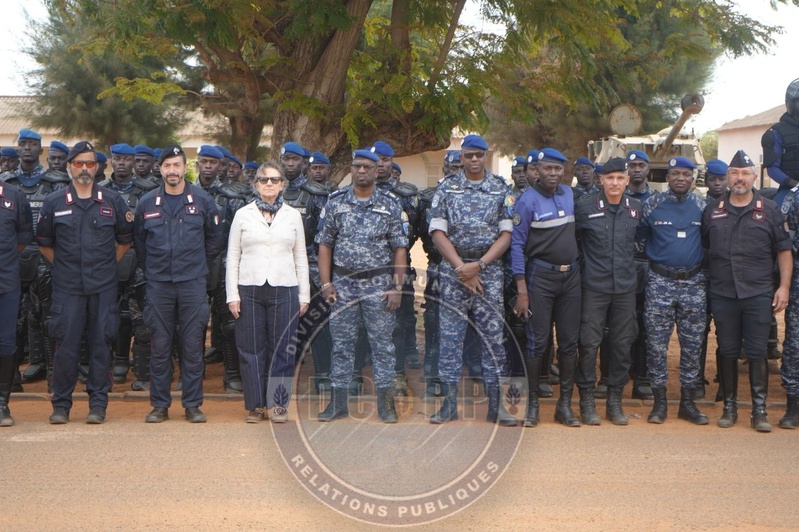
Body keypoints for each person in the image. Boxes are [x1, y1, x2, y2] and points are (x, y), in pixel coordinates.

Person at [36, 142, 133, 424]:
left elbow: (125, 241)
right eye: (78, 163)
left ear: (98, 167)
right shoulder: (54, 202)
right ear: (69, 167)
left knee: (101, 342)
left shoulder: (113, 200)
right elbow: (44, 244)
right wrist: (67, 269)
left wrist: (104, 267)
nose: (84, 169)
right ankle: (61, 405)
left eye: (90, 164)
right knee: (65, 344)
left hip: (103, 287)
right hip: (67, 288)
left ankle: (98, 404)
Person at [429, 134, 516, 426]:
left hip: (488, 270)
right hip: (454, 270)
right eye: (469, 155)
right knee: (450, 338)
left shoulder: (500, 188)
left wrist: (478, 266)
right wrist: (461, 269)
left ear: (486, 155)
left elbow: (507, 235)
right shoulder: (447, 188)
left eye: (479, 155)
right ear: (461, 157)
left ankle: (497, 407)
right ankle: (449, 406)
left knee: (493, 339)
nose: (474, 159)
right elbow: (437, 233)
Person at [315, 149, 407, 423]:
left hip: (379, 284)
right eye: (357, 166)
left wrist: (397, 287)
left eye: (367, 166)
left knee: (382, 346)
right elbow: (325, 244)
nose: (362, 171)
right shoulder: (336, 202)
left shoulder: (390, 204)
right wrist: (326, 282)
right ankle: (338, 404)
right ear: (351, 169)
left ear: (378, 170)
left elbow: (400, 249)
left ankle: (386, 405)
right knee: (341, 344)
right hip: (343, 283)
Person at [133, 145, 224, 423]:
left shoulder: (203, 200)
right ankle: (160, 405)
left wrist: (196, 265)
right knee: (160, 345)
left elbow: (215, 240)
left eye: (177, 165)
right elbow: (140, 243)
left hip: (192, 283)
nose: (172, 170)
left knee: (192, 344)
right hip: (159, 283)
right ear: (160, 170)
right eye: (167, 166)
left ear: (186, 168)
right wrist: (154, 270)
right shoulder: (146, 203)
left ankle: (192, 404)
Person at [703, 150, 791, 432]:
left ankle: (759, 410)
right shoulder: (713, 210)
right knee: (727, 350)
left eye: (745, 173)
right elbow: (705, 247)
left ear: (754, 177)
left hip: (757, 292)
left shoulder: (770, 210)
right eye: (734, 173)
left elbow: (784, 250)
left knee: (756, 352)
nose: (739, 178)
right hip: (724, 292)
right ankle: (729, 407)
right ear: (728, 177)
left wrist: (784, 287)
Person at [226, 162, 309, 423]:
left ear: (283, 184)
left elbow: (301, 257)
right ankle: (256, 405)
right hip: (249, 288)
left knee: (282, 348)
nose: (269, 184)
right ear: (256, 184)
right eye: (264, 180)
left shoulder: (293, 215)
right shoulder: (243, 215)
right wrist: (232, 294)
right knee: (251, 349)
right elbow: (233, 255)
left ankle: (279, 404)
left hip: (284, 288)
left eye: (274, 180)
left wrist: (304, 295)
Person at [511, 148, 582, 428]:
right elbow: (516, 245)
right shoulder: (526, 201)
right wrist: (522, 289)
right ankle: (532, 406)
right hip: (540, 277)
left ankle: (564, 406)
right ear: (537, 170)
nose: (553, 173)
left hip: (571, 277)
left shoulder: (569, 194)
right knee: (537, 343)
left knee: (568, 343)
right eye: (548, 168)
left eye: (558, 169)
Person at [638, 157, 708, 425]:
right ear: (667, 177)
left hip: (693, 283)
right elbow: (641, 237)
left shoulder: (703, 206)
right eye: (675, 173)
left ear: (692, 178)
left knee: (692, 345)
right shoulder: (652, 204)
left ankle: (688, 403)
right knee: (656, 345)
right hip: (660, 282)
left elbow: (708, 240)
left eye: (686, 174)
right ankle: (659, 403)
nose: (680, 178)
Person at [575, 157, 641, 425]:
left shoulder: (636, 208)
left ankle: (615, 401)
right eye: (609, 178)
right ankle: (587, 401)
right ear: (600, 179)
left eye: (620, 178)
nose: (615, 183)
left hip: (625, 289)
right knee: (589, 345)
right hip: (594, 288)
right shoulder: (584, 207)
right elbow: (573, 242)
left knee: (622, 345)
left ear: (627, 180)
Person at [3, 129, 70, 388]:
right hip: (13, 260)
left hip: (46, 256)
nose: (27, 148)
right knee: (14, 319)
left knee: (48, 316)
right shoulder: (6, 182)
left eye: (33, 144)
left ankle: (53, 373)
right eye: (23, 144)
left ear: (41, 150)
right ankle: (11, 377)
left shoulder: (57, 182)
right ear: (17, 149)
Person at [99, 143, 159, 389]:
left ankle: (143, 375)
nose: (121, 162)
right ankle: (116, 365)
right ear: (111, 161)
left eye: (126, 158)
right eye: (117, 158)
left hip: (139, 263)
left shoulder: (149, 192)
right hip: (108, 263)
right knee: (110, 319)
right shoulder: (100, 191)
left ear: (134, 162)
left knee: (142, 321)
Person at [624, 149, 656, 400]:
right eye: (632, 164)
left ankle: (642, 374)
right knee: (620, 324)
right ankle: (619, 373)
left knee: (646, 324)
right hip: (622, 266)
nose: (636, 169)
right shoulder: (617, 195)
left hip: (649, 267)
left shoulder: (657, 199)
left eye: (641, 165)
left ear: (648, 169)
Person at [0, 180, 33, 426]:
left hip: (5, 283)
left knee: (6, 342)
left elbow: (22, 240)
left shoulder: (15, 197)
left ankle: (2, 404)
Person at [699, 158, 728, 400]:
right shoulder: (700, 205)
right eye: (712, 179)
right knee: (699, 329)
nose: (717, 184)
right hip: (702, 274)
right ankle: (697, 378)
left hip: (725, 278)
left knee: (725, 331)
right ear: (706, 181)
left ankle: (724, 382)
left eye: (721, 179)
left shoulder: (735, 203)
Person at [762, 78, 799, 208]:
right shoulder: (775, 133)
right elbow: (772, 169)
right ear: (791, 103)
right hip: (789, 189)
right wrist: (794, 184)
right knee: (777, 216)